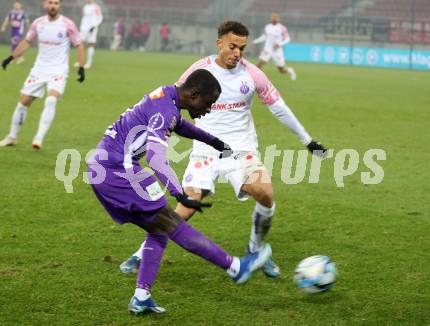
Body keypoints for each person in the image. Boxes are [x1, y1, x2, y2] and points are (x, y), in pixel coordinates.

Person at [120, 21, 328, 279]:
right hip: (204, 151)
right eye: (232, 46)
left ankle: (255, 250)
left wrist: (307, 140)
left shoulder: (252, 74)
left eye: (242, 48)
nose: (237, 53)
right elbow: (171, 104)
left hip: (241, 150)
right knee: (187, 205)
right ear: (219, 43)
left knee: (265, 194)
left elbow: (279, 107)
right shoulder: (199, 71)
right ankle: (141, 253)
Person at [87, 68, 272, 314]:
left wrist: (215, 142)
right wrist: (179, 193)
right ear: (194, 95)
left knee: (159, 229)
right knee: (171, 222)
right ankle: (236, 267)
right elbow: (155, 157)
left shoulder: (167, 96)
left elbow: (181, 125)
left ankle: (141, 297)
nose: (208, 110)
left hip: (105, 167)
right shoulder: (166, 110)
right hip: (118, 170)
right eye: (208, 103)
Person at [0, 0, 85, 150]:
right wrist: (11, 57)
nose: (53, 5)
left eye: (56, 3)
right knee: (23, 103)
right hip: (39, 69)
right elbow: (27, 41)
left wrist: (81, 66)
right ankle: (12, 137)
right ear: (45, 5)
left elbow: (78, 44)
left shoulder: (67, 24)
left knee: (51, 99)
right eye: (50, 2)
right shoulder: (38, 23)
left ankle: (38, 138)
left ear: (59, 6)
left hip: (58, 70)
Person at [253, 13, 297, 81]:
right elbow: (264, 36)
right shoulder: (267, 26)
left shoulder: (282, 28)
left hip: (277, 50)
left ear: (278, 19)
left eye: (276, 17)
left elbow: (288, 39)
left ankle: (289, 71)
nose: (274, 18)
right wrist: (255, 41)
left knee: (281, 69)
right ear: (271, 18)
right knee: (260, 63)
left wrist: (279, 44)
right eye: (273, 17)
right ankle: (256, 79)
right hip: (267, 49)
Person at [78, 0, 102, 69]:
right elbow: (84, 18)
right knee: (80, 44)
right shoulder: (85, 7)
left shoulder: (96, 7)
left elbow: (100, 18)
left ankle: (89, 63)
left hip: (92, 28)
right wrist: (81, 26)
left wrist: (94, 26)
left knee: (90, 44)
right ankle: (80, 62)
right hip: (83, 28)